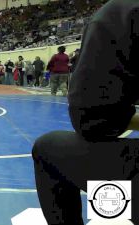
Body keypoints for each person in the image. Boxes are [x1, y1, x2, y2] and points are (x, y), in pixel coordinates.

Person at [32, 1, 139, 224]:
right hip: (65, 74)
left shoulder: (123, 12)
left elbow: (92, 118)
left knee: (47, 149)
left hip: (72, 81)